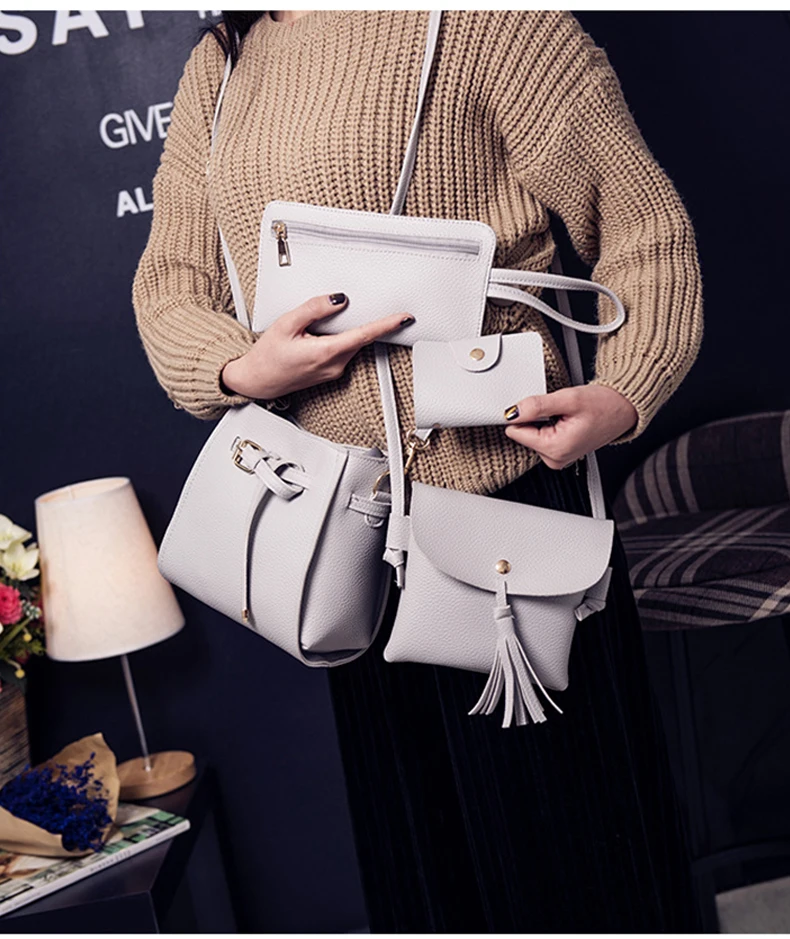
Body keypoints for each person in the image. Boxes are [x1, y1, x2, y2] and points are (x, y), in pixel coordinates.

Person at [132, 10, 704, 932]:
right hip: (344, 532)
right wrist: (241, 368)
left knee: (575, 856)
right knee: (430, 869)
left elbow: (645, 224)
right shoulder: (223, 60)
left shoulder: (488, 20)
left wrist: (626, 390)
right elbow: (170, 283)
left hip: (509, 515)